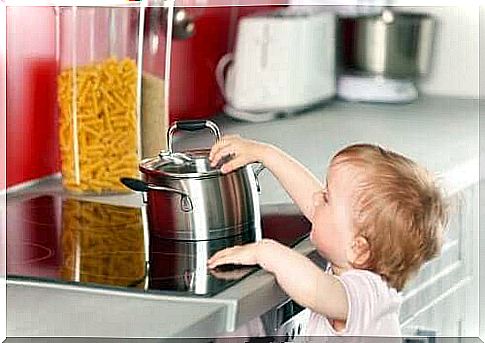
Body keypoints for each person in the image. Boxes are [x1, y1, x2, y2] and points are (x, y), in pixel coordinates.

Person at [207, 135, 448, 337]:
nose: (315, 200)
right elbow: (317, 207)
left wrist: (264, 251)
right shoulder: (356, 263)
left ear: (359, 249)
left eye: (326, 198)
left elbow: (314, 289)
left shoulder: (368, 294)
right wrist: (266, 154)